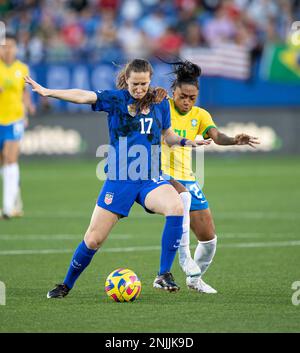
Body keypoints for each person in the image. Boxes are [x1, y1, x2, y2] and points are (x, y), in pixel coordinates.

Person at [24, 58, 210, 298]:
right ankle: (66, 284)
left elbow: (168, 135)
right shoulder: (117, 99)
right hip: (120, 179)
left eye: (143, 84)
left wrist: (187, 142)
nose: (139, 89)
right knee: (93, 239)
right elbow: (84, 96)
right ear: (127, 80)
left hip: (149, 178)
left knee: (176, 205)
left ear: (150, 80)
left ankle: (163, 274)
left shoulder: (161, 102)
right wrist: (48, 92)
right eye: (135, 84)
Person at [160, 60, 259, 293]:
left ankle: (195, 280)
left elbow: (216, 136)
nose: (187, 102)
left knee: (209, 238)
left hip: (187, 177)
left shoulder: (200, 114)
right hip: (162, 176)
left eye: (192, 98)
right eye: (183, 96)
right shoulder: (161, 108)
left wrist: (234, 140)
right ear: (174, 91)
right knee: (181, 202)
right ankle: (182, 260)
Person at [0, 33, 35, 219]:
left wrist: (28, 108)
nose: (7, 49)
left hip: (14, 118)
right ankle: (13, 199)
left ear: (16, 48)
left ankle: (7, 207)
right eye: (4, 46)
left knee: (10, 158)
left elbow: (24, 92)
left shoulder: (22, 68)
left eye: (11, 46)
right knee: (3, 162)